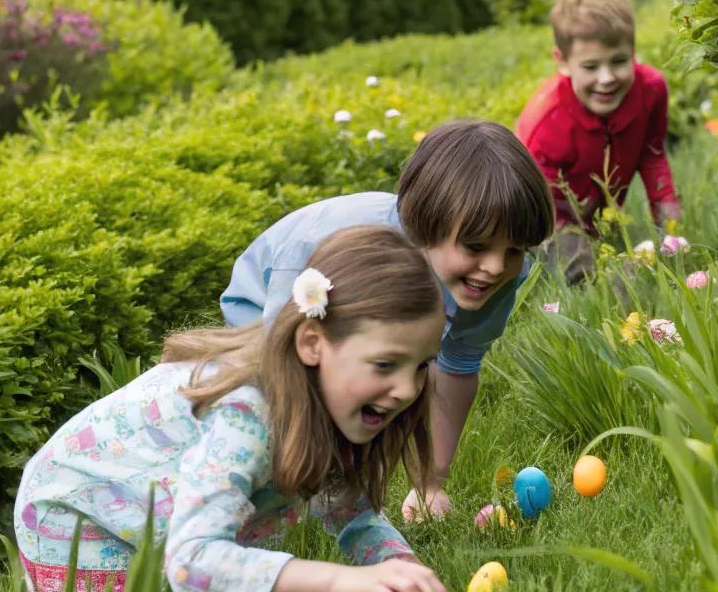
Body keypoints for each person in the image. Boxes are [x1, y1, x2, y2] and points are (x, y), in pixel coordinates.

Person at [15, 226, 454, 592]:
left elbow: (349, 511)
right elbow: (193, 563)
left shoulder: (332, 400)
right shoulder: (249, 417)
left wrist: (402, 570)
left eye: (420, 366)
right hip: (77, 510)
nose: (407, 389)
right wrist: (343, 580)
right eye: (385, 365)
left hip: (165, 509)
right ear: (313, 344)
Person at [221, 121, 554, 522]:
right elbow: (285, 364)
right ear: (428, 223)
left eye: (515, 250)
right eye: (476, 246)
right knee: (273, 414)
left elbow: (458, 366)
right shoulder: (340, 241)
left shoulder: (496, 276)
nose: (496, 267)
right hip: (272, 309)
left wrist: (430, 482)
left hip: (356, 330)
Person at [515, 0, 681, 284]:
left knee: (661, 262)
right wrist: (583, 251)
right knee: (593, 280)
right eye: (590, 66)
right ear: (563, 61)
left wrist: (670, 228)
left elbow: (652, 156)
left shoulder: (651, 90)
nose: (606, 78)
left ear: (633, 51)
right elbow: (545, 212)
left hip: (603, 219)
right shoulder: (547, 122)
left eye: (618, 61)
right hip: (545, 219)